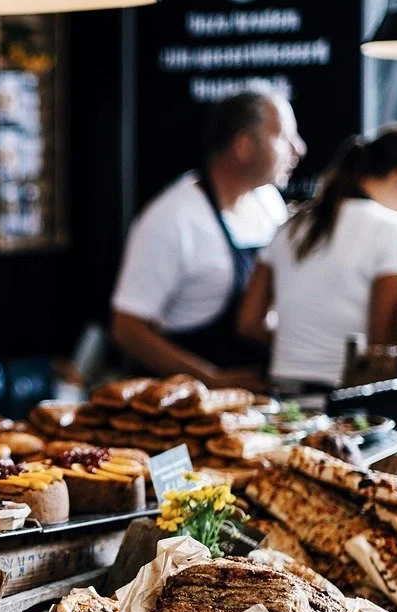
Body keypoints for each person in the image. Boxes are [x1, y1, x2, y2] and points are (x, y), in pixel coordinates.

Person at [111, 89, 306, 390]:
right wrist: (210, 380)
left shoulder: (268, 202)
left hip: (261, 398)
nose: (299, 149)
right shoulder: (172, 218)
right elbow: (127, 328)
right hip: (188, 408)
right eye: (283, 136)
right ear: (243, 146)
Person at [237, 127, 397, 390]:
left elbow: (248, 323)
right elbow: (381, 343)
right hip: (348, 396)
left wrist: (301, 345)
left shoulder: (291, 226)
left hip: (284, 391)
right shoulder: (393, 229)